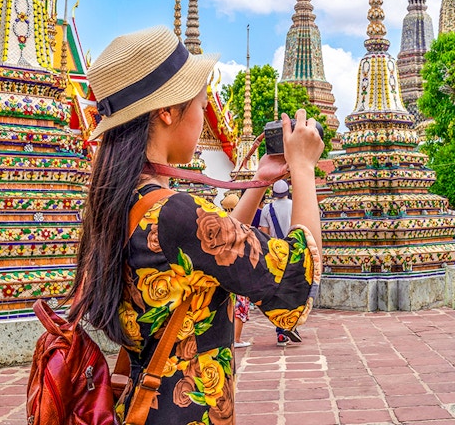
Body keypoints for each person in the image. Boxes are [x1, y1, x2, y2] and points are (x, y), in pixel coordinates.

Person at [69, 26, 323, 425]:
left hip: (140, 405)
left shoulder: (119, 202)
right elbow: (294, 278)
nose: (205, 113)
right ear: (167, 112)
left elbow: (206, 257)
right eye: (201, 102)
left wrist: (256, 184)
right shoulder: (175, 213)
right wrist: (304, 170)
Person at [260, 180, 300, 347]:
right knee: (295, 290)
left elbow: (264, 234)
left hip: (276, 254)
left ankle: (280, 331)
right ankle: (292, 324)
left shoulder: (267, 209)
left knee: (278, 291)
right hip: (295, 252)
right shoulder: (295, 206)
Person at [218, 193, 252, 350]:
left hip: (224, 271)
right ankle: (236, 338)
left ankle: (231, 337)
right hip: (240, 270)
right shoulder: (240, 225)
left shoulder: (219, 222)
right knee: (240, 306)